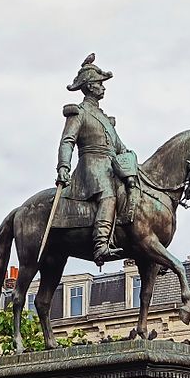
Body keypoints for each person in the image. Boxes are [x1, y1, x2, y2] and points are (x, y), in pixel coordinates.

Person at [56, 54, 140, 265]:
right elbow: (68, 141)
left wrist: (131, 161)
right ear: (90, 86)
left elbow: (120, 147)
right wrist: (63, 166)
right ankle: (101, 245)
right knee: (108, 195)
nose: (104, 87)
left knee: (133, 191)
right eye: (100, 84)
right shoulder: (79, 113)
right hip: (91, 166)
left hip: (110, 165)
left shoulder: (105, 118)